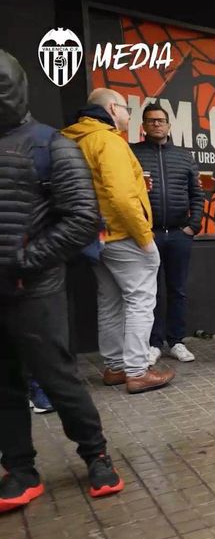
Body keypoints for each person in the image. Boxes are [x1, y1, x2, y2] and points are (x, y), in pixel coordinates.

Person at [0, 50, 124, 510]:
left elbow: (80, 219)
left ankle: (96, 455)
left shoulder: (51, 145)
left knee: (59, 378)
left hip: (35, 289)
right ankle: (19, 469)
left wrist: (27, 259)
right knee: (4, 386)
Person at [63, 88, 174, 393]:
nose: (128, 115)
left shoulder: (71, 139)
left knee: (109, 301)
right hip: (122, 234)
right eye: (126, 108)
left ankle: (115, 368)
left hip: (91, 236)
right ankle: (137, 371)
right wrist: (144, 237)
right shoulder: (109, 140)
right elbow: (122, 198)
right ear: (113, 108)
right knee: (140, 300)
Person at [131, 103, 204, 362]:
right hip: (146, 235)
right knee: (150, 292)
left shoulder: (184, 157)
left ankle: (176, 341)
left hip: (178, 234)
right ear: (143, 126)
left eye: (161, 120)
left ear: (169, 125)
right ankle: (153, 343)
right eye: (151, 121)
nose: (156, 124)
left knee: (178, 290)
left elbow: (197, 194)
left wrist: (192, 226)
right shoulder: (133, 153)